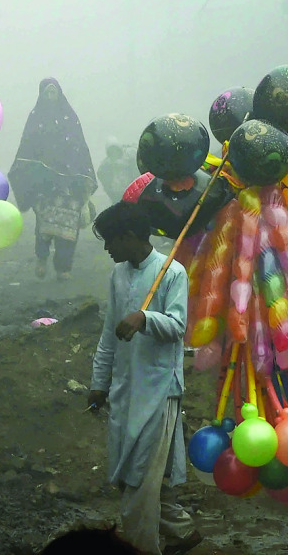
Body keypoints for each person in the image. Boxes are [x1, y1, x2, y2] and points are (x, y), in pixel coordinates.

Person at [87, 201, 202, 555]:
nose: (108, 249)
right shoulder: (118, 275)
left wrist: (145, 318)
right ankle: (182, 532)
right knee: (131, 475)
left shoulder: (172, 273)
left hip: (159, 390)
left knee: (141, 479)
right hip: (124, 388)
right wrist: (98, 382)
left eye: (111, 241)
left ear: (130, 236)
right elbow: (110, 333)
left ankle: (141, 548)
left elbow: (178, 328)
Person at [7, 78, 97, 281]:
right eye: (46, 93)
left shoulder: (70, 118)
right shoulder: (35, 118)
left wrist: (84, 176)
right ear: (41, 95)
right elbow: (27, 148)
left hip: (70, 183)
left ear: (59, 94)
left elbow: (80, 147)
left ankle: (63, 268)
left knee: (69, 227)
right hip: (45, 183)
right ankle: (42, 257)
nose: (50, 97)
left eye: (53, 93)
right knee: (45, 225)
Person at [98, 137, 140, 203]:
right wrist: (110, 191)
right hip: (118, 194)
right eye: (111, 151)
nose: (114, 153)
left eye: (115, 150)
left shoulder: (131, 157)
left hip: (133, 190)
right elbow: (102, 176)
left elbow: (138, 172)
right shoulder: (106, 166)